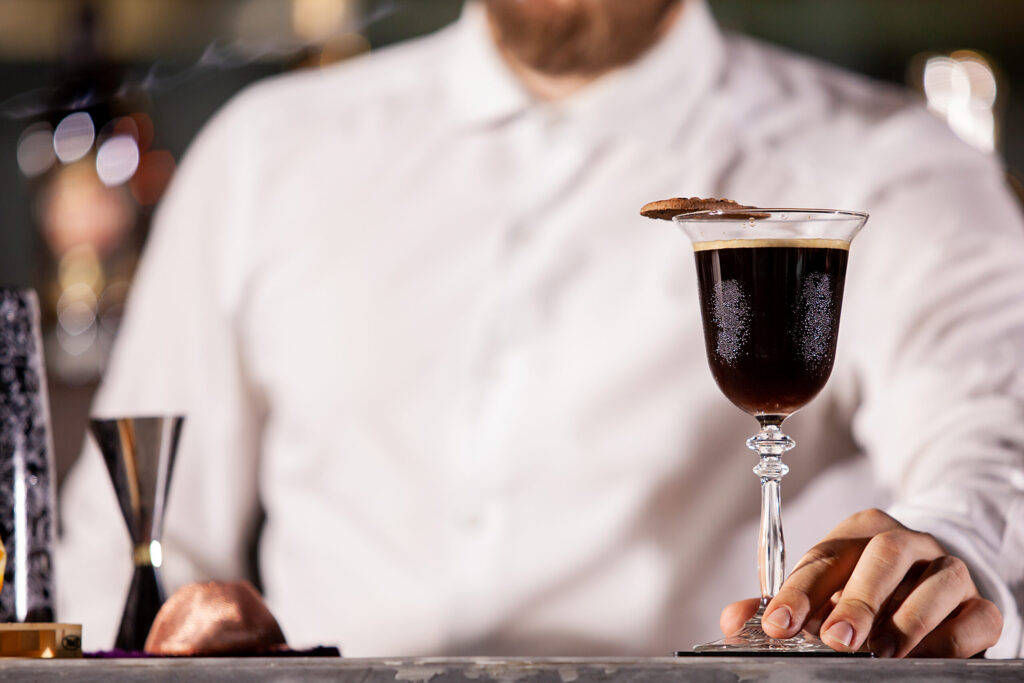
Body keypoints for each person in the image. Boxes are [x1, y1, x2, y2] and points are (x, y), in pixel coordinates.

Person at [58, 0, 1023, 658]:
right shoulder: (263, 152)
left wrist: (942, 554)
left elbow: (990, 436)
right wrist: (179, 640)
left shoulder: (892, 160)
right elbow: (130, 535)